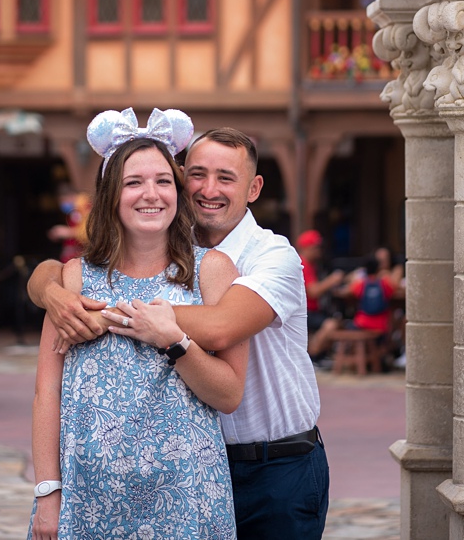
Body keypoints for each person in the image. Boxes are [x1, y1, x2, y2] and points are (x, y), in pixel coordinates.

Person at [29, 122, 329, 539]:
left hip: (272, 467)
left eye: (226, 177)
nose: (209, 189)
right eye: (197, 175)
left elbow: (222, 328)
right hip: (105, 491)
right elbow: (47, 388)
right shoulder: (140, 247)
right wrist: (49, 289)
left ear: (254, 188)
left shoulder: (266, 256)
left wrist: (109, 317)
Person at [298, 229, 346, 362]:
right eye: (316, 247)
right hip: (305, 310)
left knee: (338, 322)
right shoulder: (303, 264)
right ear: (308, 248)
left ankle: (320, 355)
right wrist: (332, 280)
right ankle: (312, 357)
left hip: (313, 309)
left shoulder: (312, 264)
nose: (319, 250)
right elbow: (313, 292)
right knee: (331, 324)